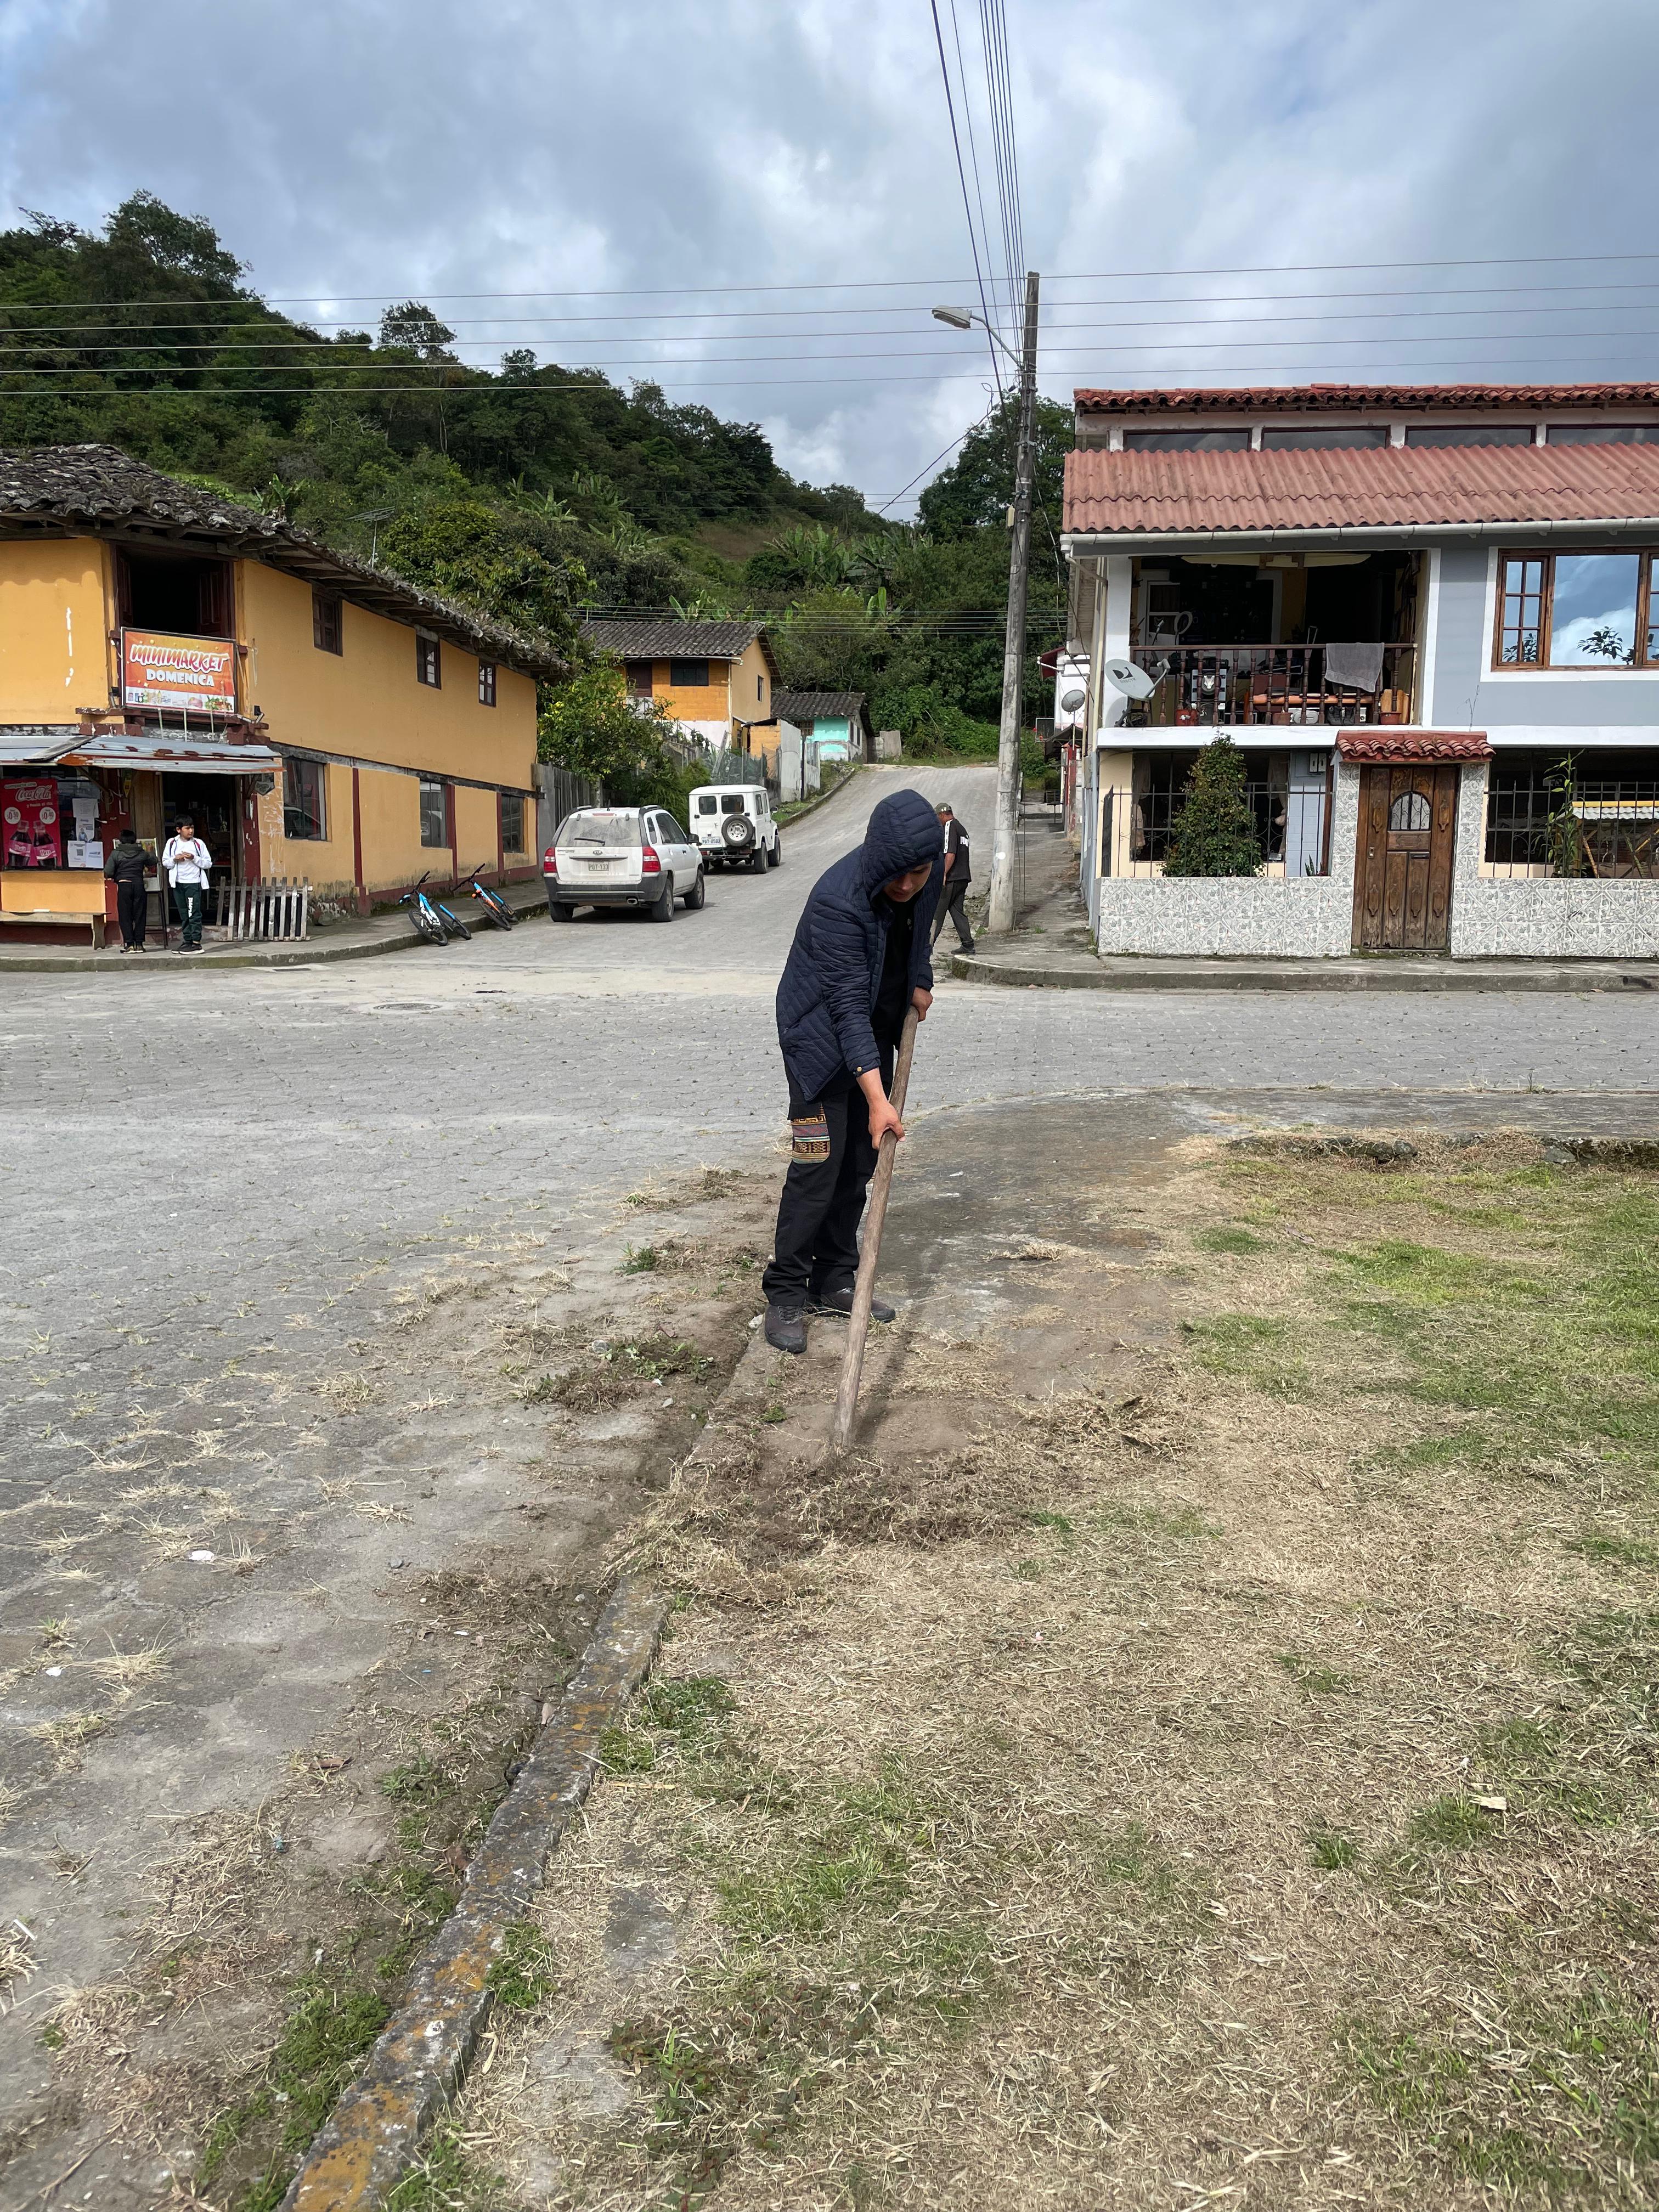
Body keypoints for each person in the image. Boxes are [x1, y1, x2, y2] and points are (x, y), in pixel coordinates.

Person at [761, 788, 944, 1355]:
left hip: (874, 1036)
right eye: (898, 875)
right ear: (877, 858)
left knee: (858, 1167)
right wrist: (879, 1099)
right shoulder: (836, 904)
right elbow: (844, 1010)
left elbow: (921, 929)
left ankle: (834, 1279)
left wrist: (920, 979)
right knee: (816, 1167)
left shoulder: (926, 870)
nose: (908, 885)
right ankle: (786, 1292)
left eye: (918, 873)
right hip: (816, 1049)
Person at [162, 816, 212, 951]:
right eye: (187, 828)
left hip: (193, 883)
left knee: (193, 913)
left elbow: (208, 864)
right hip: (178, 883)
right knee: (184, 914)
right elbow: (165, 862)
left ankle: (196, 942)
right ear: (179, 830)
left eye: (192, 828)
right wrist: (175, 859)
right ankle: (187, 940)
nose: (191, 831)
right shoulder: (172, 843)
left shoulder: (198, 844)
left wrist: (194, 858)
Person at [930, 802, 974, 953]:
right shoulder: (962, 829)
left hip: (951, 879)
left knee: (937, 913)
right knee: (957, 911)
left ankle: (926, 948)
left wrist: (943, 873)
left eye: (938, 817)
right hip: (963, 878)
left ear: (942, 815)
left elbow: (951, 853)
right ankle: (968, 944)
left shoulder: (950, 825)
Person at [105, 826, 150, 952]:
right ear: (134, 840)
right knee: (140, 915)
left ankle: (130, 944)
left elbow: (108, 871)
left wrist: (117, 876)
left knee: (125, 916)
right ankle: (139, 944)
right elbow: (153, 861)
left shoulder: (116, 853)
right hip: (139, 886)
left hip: (124, 886)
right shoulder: (142, 853)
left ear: (121, 840)